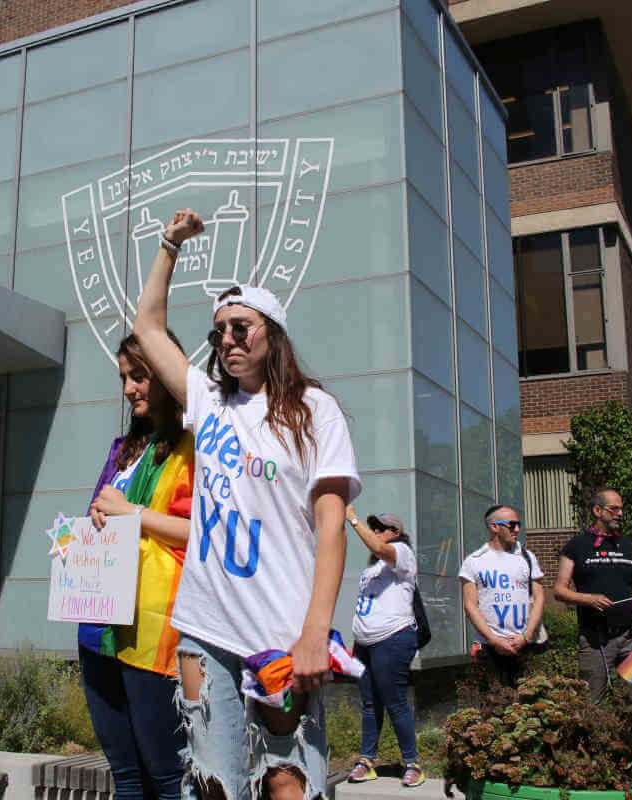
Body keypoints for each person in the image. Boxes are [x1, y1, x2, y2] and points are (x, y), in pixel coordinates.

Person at [132, 209, 361, 800]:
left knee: (289, 780)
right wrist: (168, 245)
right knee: (213, 784)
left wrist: (315, 632)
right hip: (205, 628)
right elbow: (148, 328)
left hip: (282, 632)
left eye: (242, 327)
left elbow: (331, 529)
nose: (229, 339)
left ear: (272, 333)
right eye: (220, 332)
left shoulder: (316, 411)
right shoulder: (208, 402)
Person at [79, 332, 195, 800]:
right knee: (125, 776)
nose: (129, 388)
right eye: (124, 377)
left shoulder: (194, 448)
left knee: (168, 778)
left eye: (140, 376)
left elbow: (206, 534)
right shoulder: (120, 451)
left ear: (167, 375)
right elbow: (101, 518)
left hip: (153, 632)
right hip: (97, 624)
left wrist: (132, 514)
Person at [553, 488, 632, 707]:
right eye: (614, 509)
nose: (620, 514)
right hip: (595, 639)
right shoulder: (577, 546)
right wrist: (589, 599)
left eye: (621, 509)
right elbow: (559, 591)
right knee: (592, 704)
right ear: (597, 511)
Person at [345, 508, 423, 787]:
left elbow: (378, 546)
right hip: (366, 644)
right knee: (369, 704)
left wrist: (352, 516)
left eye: (381, 527)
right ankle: (367, 761)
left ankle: (412, 763)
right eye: (373, 527)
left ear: (396, 533)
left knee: (396, 703)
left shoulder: (402, 553)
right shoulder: (371, 570)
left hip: (392, 639)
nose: (376, 531)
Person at [458, 505, 545, 688]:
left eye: (519, 524)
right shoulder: (474, 561)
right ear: (494, 527)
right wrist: (494, 640)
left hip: (524, 645)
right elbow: (470, 606)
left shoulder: (527, 557)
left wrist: (526, 636)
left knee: (530, 705)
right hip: (490, 648)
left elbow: (539, 599)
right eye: (512, 525)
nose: (517, 529)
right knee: (492, 705)